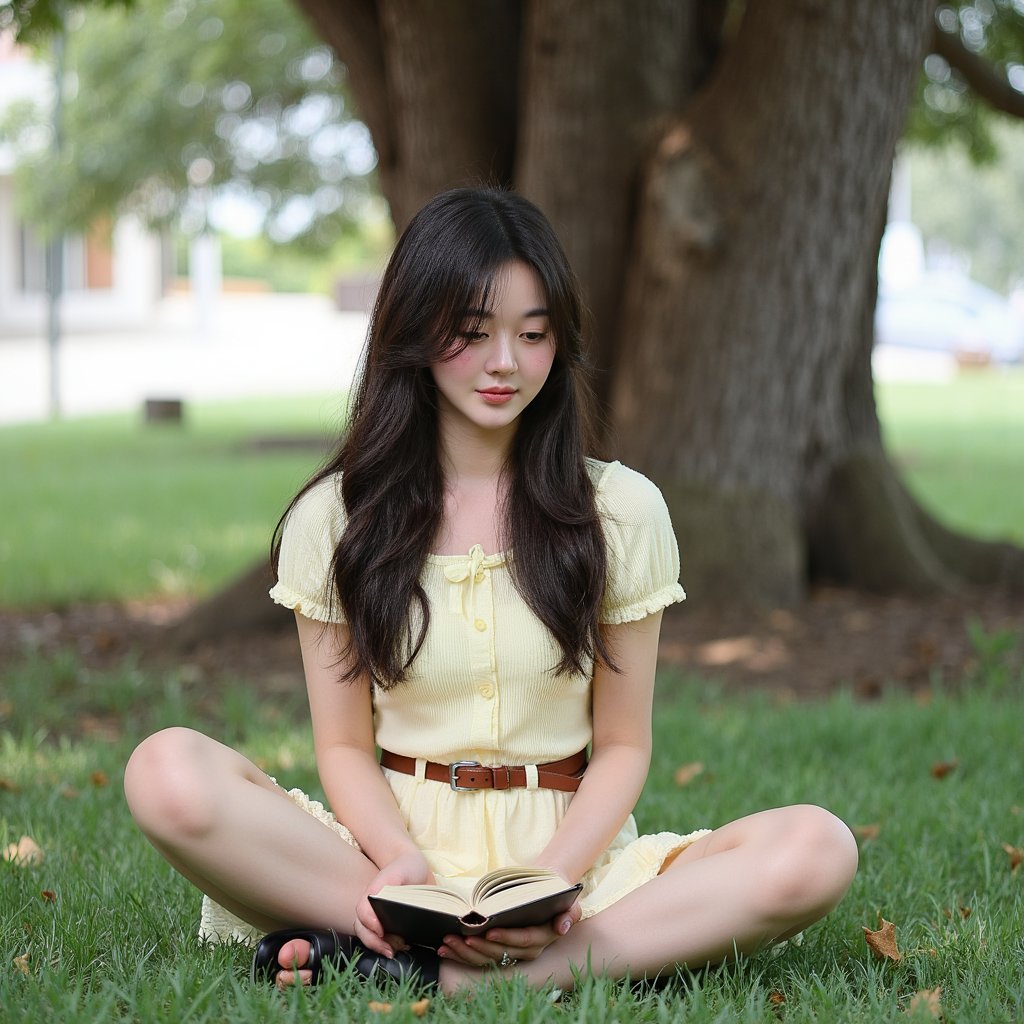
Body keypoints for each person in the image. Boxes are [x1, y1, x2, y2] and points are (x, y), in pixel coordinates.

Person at [124, 187, 858, 995]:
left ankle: (473, 975)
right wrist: (396, 871)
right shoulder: (336, 519)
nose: (505, 362)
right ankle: (392, 934)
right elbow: (340, 746)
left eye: (533, 334)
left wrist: (554, 879)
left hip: (572, 867)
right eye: (472, 334)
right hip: (385, 858)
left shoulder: (619, 511)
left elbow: (622, 746)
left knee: (818, 847)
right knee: (164, 770)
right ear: (414, 330)